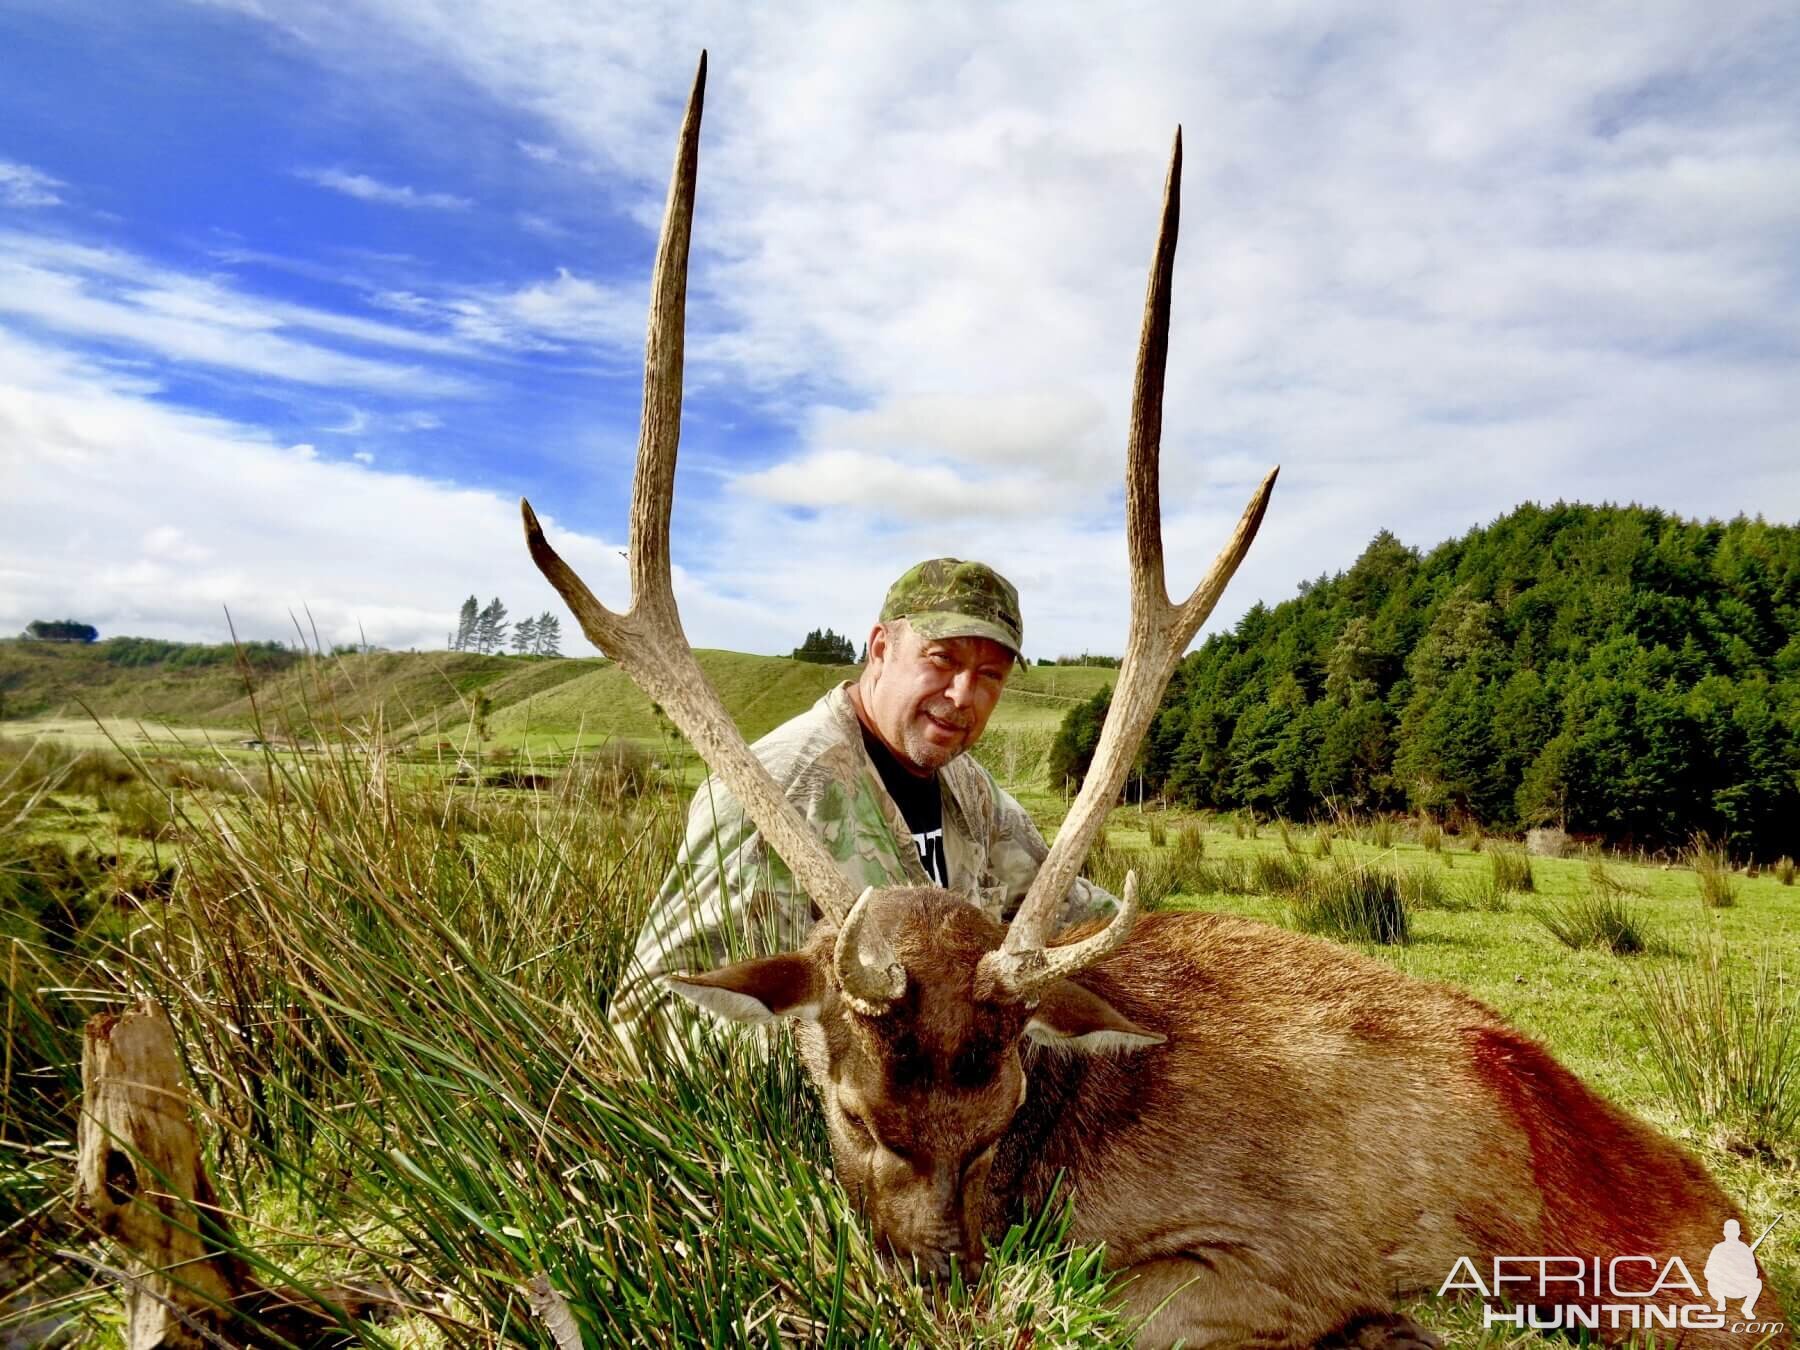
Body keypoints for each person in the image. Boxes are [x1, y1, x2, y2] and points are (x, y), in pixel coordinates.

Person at [611, 557, 1118, 1055]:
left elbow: (1066, 910)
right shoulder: (774, 791)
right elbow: (651, 1017)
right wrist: (841, 1044)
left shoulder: (969, 789)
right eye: (942, 659)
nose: (963, 695)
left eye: (989, 675)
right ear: (880, 648)